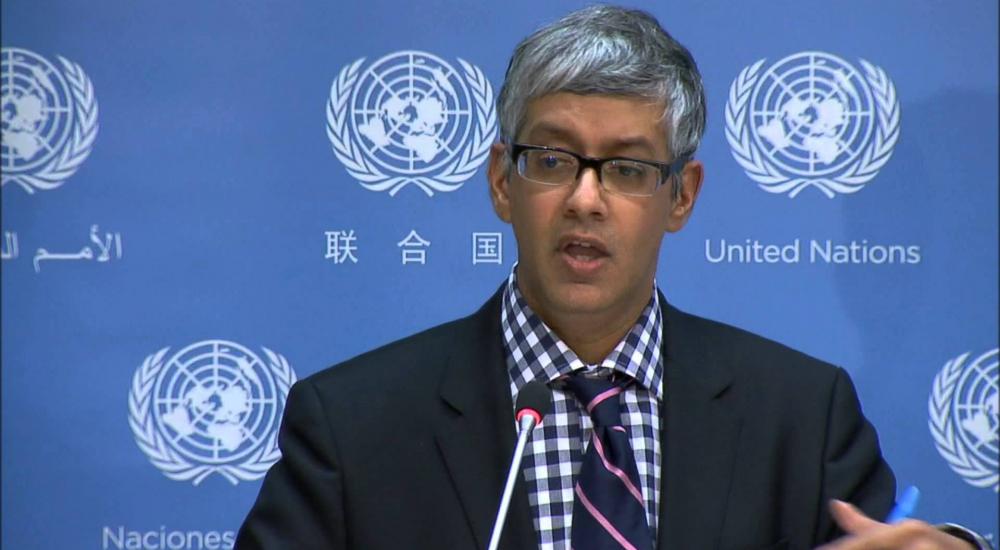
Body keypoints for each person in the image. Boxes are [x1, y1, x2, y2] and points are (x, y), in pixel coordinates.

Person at [236, 6, 990, 550]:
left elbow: (891, 541)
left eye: (627, 168)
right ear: (501, 182)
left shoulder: (800, 415)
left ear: (681, 196)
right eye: (553, 160)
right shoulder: (353, 426)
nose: (585, 199)